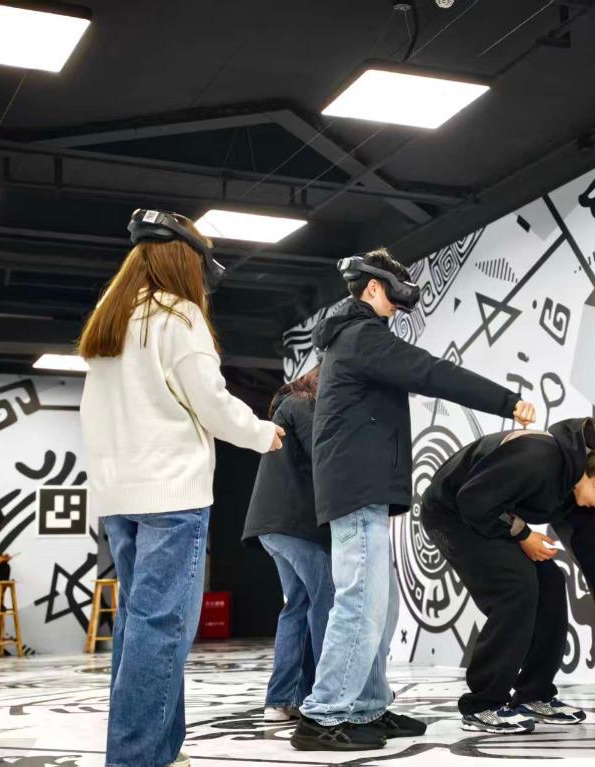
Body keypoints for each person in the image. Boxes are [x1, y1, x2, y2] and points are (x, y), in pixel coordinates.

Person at [291, 249, 537, 752]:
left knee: (379, 607)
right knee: (361, 602)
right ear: (373, 288)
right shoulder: (362, 336)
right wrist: (506, 402)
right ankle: (323, 715)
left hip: (364, 489)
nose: (401, 302)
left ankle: (366, 705)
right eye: (394, 291)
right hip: (357, 489)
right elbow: (431, 372)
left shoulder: (354, 338)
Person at [79, 209, 284, 767]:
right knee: (162, 627)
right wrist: (263, 434)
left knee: (139, 625)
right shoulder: (178, 315)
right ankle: (137, 758)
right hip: (170, 494)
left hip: (119, 496)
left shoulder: (112, 317)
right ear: (186, 261)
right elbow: (210, 403)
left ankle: (161, 751)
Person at [420, 417, 595, 733]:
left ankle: (534, 694)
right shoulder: (539, 458)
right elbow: (472, 499)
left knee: (551, 581)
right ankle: (482, 704)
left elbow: (594, 556)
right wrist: (522, 533)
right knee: (516, 586)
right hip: (450, 512)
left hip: (487, 514)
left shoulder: (576, 496)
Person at [241, 364, 332, 724]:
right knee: (326, 601)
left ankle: (283, 699)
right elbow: (321, 456)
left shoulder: (287, 405)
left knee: (298, 605)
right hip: (295, 525)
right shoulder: (303, 404)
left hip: (273, 527)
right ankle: (329, 693)